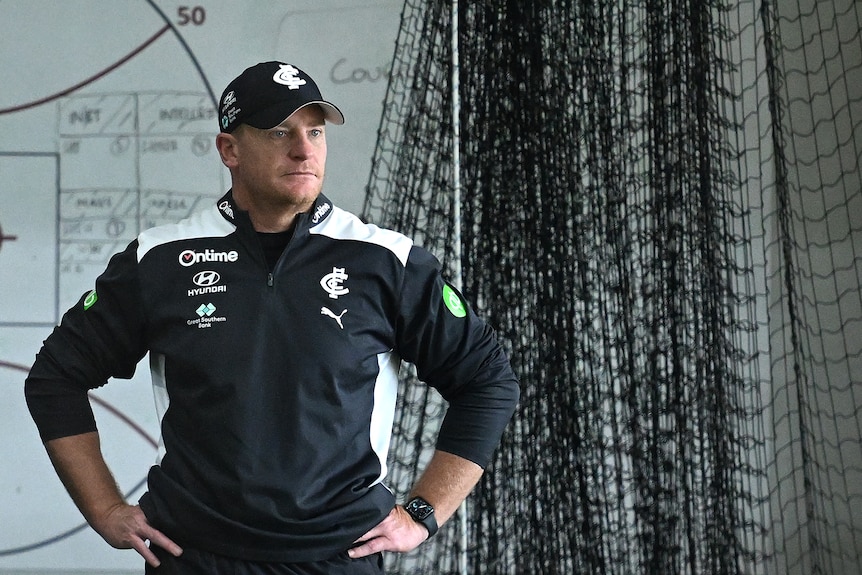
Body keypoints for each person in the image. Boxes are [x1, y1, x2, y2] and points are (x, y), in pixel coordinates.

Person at [24, 61, 519, 574]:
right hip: (196, 558)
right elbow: (54, 379)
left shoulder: (387, 261)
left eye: (316, 131)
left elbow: (487, 382)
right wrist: (104, 510)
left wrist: (422, 514)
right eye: (280, 131)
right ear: (229, 150)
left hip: (337, 558)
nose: (304, 149)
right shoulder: (161, 259)